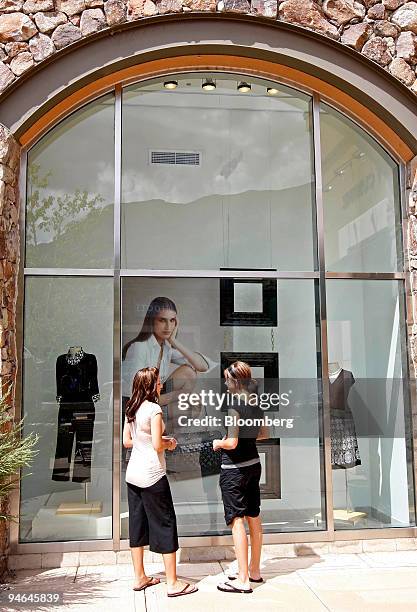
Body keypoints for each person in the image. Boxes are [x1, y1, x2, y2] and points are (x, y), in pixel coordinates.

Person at [123, 366, 198, 598]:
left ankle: (140, 577)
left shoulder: (132, 408)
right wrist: (170, 442)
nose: (161, 385)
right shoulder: (154, 409)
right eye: (158, 381)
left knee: (137, 525)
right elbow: (157, 445)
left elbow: (128, 441)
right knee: (165, 524)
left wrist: (151, 440)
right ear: (150, 385)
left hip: (132, 474)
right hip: (152, 475)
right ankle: (173, 583)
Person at [213, 361, 268, 594]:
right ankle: (254, 571)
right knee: (254, 517)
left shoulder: (233, 406)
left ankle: (243, 579)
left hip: (234, 470)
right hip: (254, 465)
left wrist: (218, 442)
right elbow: (264, 434)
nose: (225, 384)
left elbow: (232, 442)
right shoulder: (257, 404)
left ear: (235, 381)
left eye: (227, 379)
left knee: (237, 521)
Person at [122, 296, 215, 433]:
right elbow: (139, 397)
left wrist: (174, 341)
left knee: (189, 376)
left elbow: (202, 366)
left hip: (155, 400)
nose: (168, 326)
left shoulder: (166, 348)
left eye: (172, 321)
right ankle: (158, 435)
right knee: (187, 403)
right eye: (162, 320)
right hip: (136, 404)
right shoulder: (139, 347)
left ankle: (164, 437)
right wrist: (180, 395)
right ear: (151, 321)